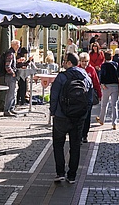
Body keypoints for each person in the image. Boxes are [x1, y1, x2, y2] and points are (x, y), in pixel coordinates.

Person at [50, 53, 93, 184]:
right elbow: (90, 98)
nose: (63, 63)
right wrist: (84, 114)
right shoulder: (85, 76)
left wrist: (53, 112)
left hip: (61, 116)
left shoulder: (61, 77)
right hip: (78, 117)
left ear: (69, 63)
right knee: (75, 146)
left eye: (64, 61)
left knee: (58, 144)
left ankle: (60, 173)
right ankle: (72, 175)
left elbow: (54, 96)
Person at [78, 52, 102, 143]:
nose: (85, 63)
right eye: (83, 61)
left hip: (88, 96)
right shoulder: (77, 69)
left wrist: (99, 95)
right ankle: (79, 135)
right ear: (80, 61)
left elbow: (96, 82)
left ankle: (85, 135)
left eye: (86, 61)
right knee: (79, 116)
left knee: (87, 116)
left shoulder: (91, 69)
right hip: (79, 96)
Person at [96, 52, 119, 129]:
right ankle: (114, 123)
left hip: (106, 86)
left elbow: (101, 75)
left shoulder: (103, 65)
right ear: (111, 57)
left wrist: (102, 84)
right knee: (114, 105)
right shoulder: (116, 64)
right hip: (115, 86)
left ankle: (101, 119)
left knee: (104, 104)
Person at [3, 39, 21, 117]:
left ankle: (11, 108)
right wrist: (12, 73)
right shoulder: (10, 54)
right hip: (10, 76)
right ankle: (7, 110)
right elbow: (7, 66)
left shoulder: (12, 53)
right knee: (10, 93)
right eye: (17, 45)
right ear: (14, 45)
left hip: (11, 76)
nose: (18, 47)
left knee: (13, 93)